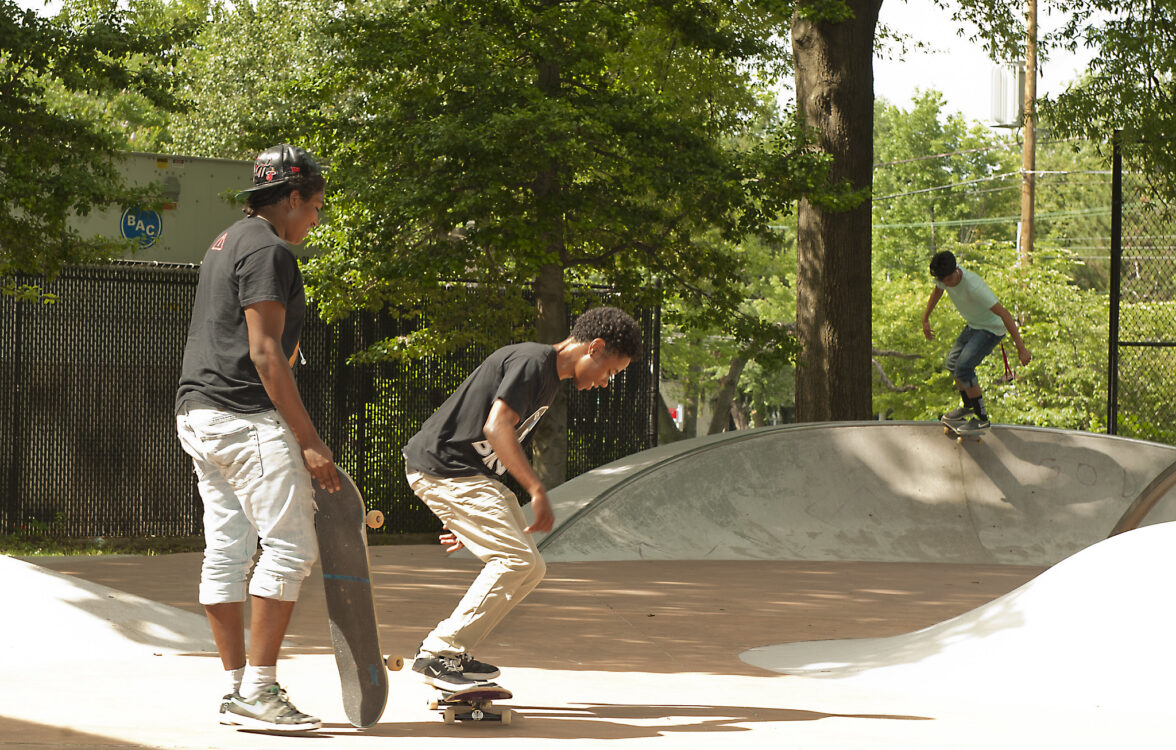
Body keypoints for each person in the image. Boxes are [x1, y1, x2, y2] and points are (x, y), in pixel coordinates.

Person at [175, 144, 340, 732]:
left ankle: (234, 689)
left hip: (199, 414)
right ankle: (261, 692)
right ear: (291, 198)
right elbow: (266, 354)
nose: (315, 219)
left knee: (227, 550)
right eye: (315, 206)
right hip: (245, 417)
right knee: (291, 547)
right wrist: (311, 441)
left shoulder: (225, 242)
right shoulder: (270, 250)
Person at [402, 306, 642, 690]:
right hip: (446, 468)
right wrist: (536, 488)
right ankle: (438, 652)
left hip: (468, 476)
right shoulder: (532, 362)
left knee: (532, 567)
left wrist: (469, 521)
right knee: (515, 560)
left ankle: (453, 650)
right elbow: (496, 428)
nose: (605, 383)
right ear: (595, 348)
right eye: (610, 372)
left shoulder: (548, 378)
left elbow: (490, 448)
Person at [922, 250, 1032, 431]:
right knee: (952, 363)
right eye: (942, 281)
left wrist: (1022, 349)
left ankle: (982, 419)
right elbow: (937, 291)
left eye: (948, 280)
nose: (945, 284)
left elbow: (1005, 314)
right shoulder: (943, 279)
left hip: (992, 328)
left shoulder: (973, 286)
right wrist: (925, 317)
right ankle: (967, 406)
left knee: (964, 368)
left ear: (956, 270)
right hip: (974, 325)